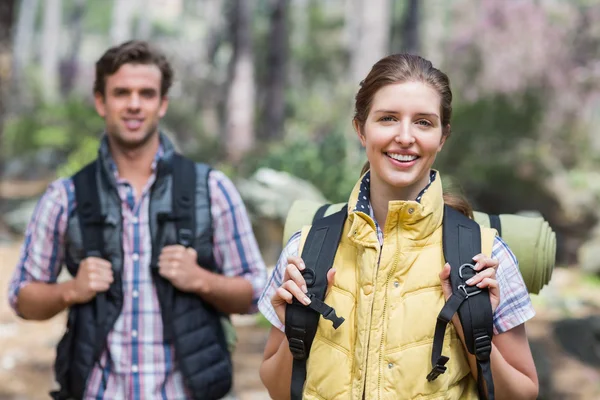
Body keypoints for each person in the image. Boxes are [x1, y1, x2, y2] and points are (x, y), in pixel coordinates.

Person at [258, 54, 539, 400]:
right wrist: (295, 330)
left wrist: (472, 332)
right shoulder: (306, 250)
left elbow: (523, 394)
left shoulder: (484, 255)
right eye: (388, 118)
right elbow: (276, 390)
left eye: (423, 122)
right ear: (361, 129)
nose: (405, 137)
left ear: (442, 137)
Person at [7, 40, 267, 400]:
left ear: (162, 104)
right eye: (121, 93)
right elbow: (22, 298)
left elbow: (257, 291)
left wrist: (201, 280)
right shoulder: (65, 196)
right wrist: (72, 289)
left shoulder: (212, 189)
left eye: (146, 94)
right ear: (101, 101)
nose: (133, 104)